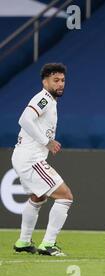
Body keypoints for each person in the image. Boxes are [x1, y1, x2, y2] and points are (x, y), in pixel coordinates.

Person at [12, 63, 73, 257]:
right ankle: (48, 244)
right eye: (55, 80)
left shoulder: (50, 101)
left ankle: (23, 241)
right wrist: (47, 141)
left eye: (62, 80)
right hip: (31, 158)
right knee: (65, 196)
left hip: (24, 156)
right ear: (44, 81)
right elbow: (24, 119)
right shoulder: (44, 99)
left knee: (38, 197)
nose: (60, 84)